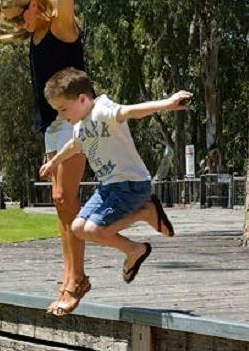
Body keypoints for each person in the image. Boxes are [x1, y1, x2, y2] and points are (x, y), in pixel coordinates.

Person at [0, 0, 89, 315]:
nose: (17, 25)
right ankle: (69, 277)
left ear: (32, 5)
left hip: (75, 119)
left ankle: (76, 280)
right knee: (60, 206)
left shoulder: (61, 25)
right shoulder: (33, 31)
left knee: (65, 198)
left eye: (19, 16)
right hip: (50, 123)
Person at [38, 67, 187, 285]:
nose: (61, 116)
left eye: (63, 109)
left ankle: (144, 212)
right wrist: (53, 162)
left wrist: (168, 103)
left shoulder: (102, 110)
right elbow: (74, 145)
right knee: (78, 228)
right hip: (108, 187)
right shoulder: (80, 123)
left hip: (131, 185)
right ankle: (135, 250)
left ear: (81, 99)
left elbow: (131, 111)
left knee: (94, 229)